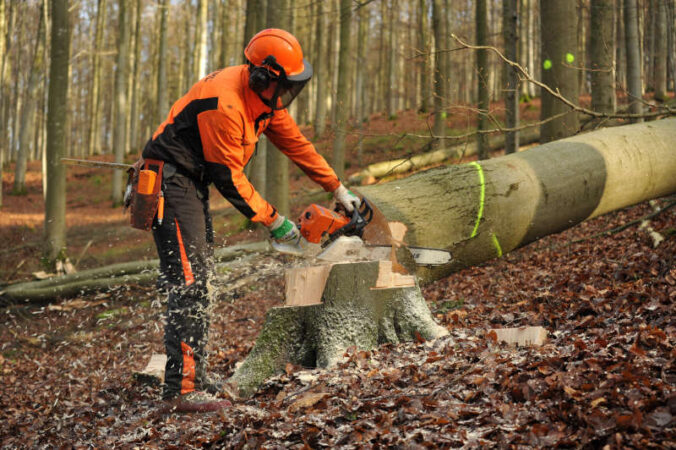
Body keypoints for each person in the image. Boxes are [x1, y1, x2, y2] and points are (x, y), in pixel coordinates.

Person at [134, 29, 360, 412]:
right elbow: (230, 179)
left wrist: (337, 188)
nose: (287, 96)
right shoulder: (225, 105)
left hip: (188, 183)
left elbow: (297, 144)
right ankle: (181, 393)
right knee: (190, 283)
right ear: (263, 77)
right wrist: (276, 222)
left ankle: (196, 377)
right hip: (169, 184)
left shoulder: (262, 102)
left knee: (201, 280)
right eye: (284, 86)